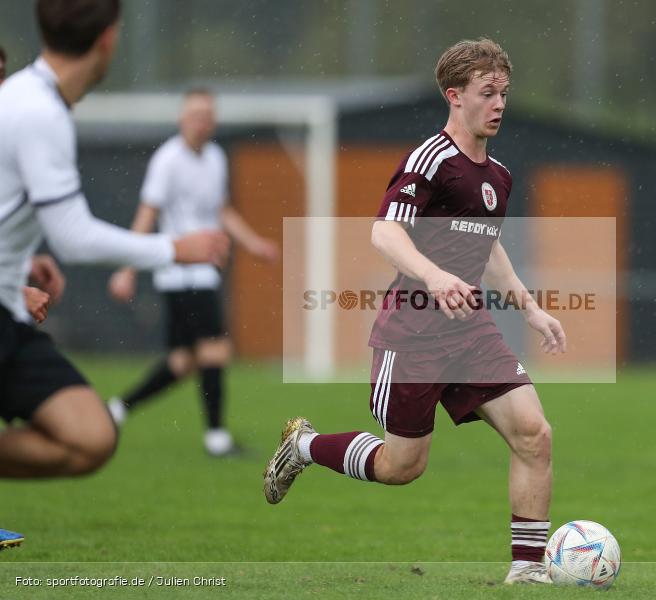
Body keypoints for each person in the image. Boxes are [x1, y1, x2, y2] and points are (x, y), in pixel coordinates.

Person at [263, 39, 566, 584]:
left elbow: (488, 248)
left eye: (504, 93)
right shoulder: (431, 159)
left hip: (470, 330)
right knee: (402, 467)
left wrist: (531, 308)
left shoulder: (498, 175)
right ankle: (303, 445)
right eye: (487, 93)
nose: (499, 103)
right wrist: (434, 274)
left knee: (534, 434)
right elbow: (385, 230)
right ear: (455, 96)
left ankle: (528, 571)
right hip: (413, 336)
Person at [0, 0, 228, 482]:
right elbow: (75, 238)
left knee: (92, 437)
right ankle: (216, 433)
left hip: (10, 311)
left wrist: (20, 266)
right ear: (108, 39)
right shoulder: (39, 111)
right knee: (193, 356)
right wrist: (174, 248)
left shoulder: (29, 99)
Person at [106, 89, 279, 456]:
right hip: (180, 273)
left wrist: (252, 243)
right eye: (195, 114)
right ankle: (216, 438)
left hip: (205, 272)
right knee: (215, 349)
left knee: (183, 362)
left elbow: (222, 210)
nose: (202, 121)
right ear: (181, 119)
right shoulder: (167, 160)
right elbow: (147, 214)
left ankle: (117, 410)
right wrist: (128, 268)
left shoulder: (215, 157)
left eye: (208, 115)